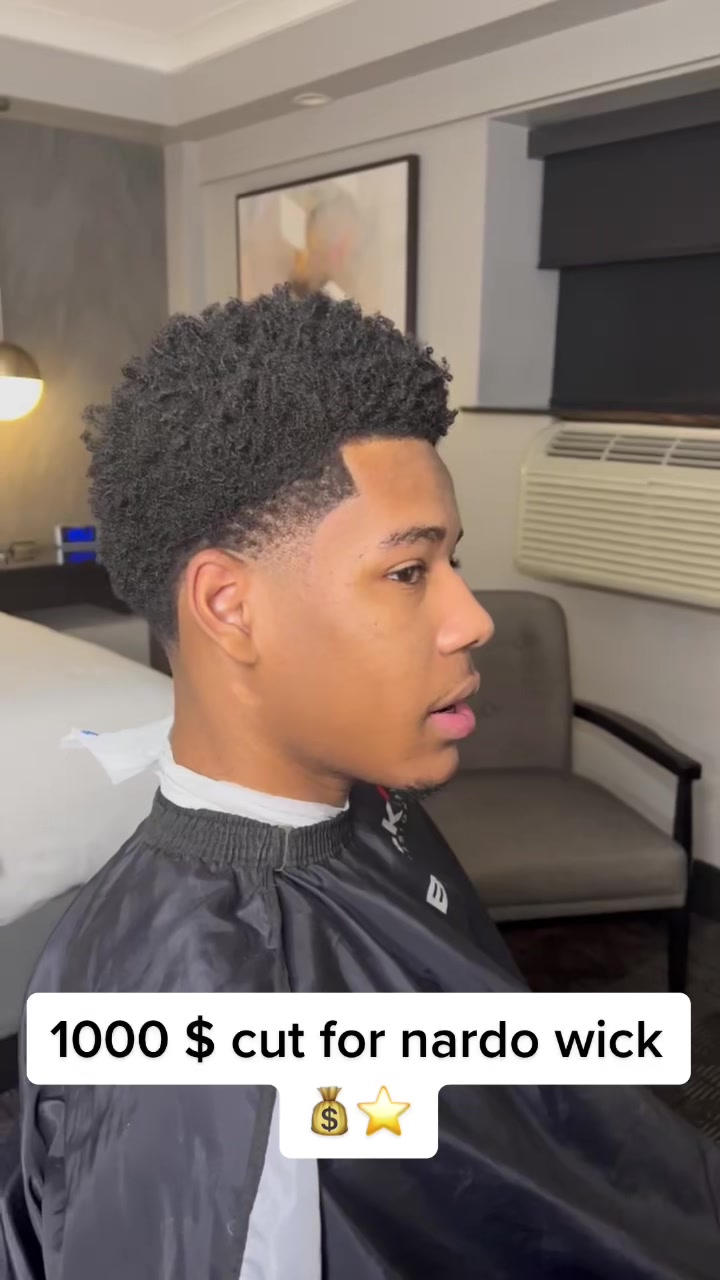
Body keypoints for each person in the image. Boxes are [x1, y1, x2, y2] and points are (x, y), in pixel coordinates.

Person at [2, 287, 720, 1279]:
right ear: (229, 605)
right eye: (409, 571)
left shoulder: (367, 801)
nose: (474, 618)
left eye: (453, 561)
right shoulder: (212, 1033)